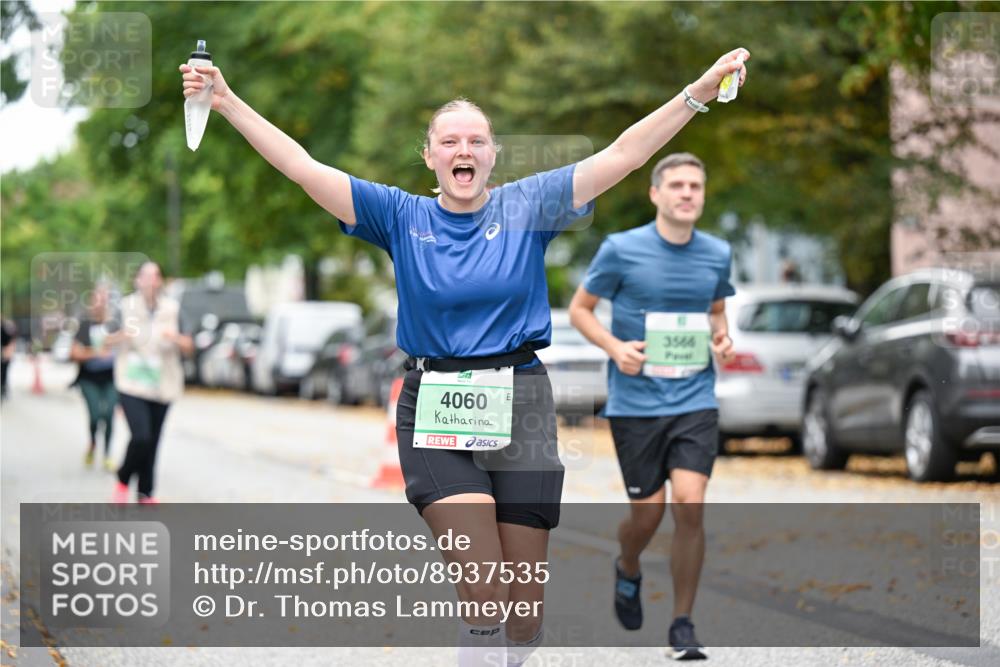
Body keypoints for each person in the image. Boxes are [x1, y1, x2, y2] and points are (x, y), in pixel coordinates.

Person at [181, 48, 748, 666]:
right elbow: (301, 165)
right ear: (430, 156)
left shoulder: (528, 206)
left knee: (523, 606)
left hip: (523, 402)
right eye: (450, 141)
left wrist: (696, 91)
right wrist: (227, 101)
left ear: (492, 155)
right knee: (483, 583)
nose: (464, 151)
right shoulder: (399, 215)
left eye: (476, 141)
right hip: (436, 408)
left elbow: (623, 154)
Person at [569, 152, 737, 660]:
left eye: (696, 186)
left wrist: (723, 339)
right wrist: (616, 349)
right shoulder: (621, 249)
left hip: (694, 398)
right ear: (656, 194)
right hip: (636, 403)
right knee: (647, 514)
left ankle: (682, 624)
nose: (688, 194)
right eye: (678, 185)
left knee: (690, 503)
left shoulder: (716, 253)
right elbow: (580, 310)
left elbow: (716, 313)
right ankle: (628, 565)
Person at [111, 261, 193, 504]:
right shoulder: (124, 307)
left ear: (160, 281)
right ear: (137, 280)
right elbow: (103, 340)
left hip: (163, 383)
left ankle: (145, 492)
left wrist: (175, 338)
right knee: (142, 436)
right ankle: (123, 477)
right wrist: (121, 336)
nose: (150, 280)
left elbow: (189, 345)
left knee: (154, 439)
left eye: (155, 276)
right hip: (131, 382)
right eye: (145, 276)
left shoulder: (174, 309)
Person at [70, 285, 119, 470]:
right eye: (97, 299)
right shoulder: (84, 325)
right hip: (89, 379)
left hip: (111, 379)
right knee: (95, 416)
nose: (100, 304)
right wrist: (96, 353)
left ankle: (107, 454)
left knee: (108, 415)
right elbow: (74, 353)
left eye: (104, 299)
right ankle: (92, 443)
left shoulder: (114, 325)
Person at [1, 317, 15, 399]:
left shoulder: (3, 330)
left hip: (3, 357)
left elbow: (9, 342)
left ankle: (3, 390)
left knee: (3, 374)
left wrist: (7, 354)